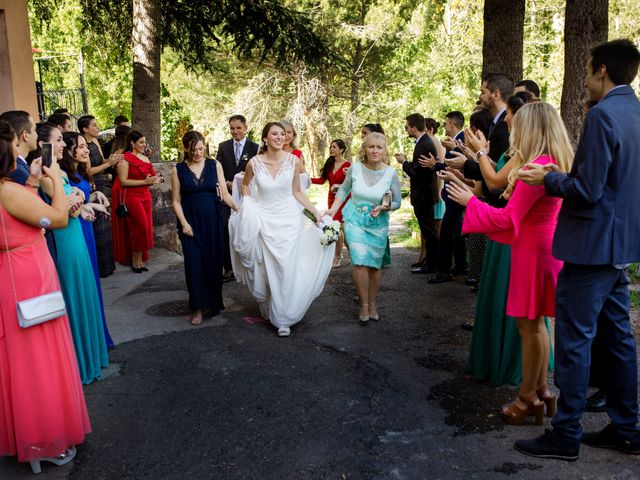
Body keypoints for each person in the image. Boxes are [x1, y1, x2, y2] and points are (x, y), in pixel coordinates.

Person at [515, 39, 640, 460]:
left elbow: (586, 190)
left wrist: (547, 179)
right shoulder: (636, 112)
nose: (585, 79)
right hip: (620, 245)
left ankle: (565, 435)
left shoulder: (603, 115)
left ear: (601, 70)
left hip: (590, 248)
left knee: (575, 342)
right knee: (619, 341)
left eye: (587, 71)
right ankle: (627, 429)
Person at [446, 102, 573, 428]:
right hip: (544, 251)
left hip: (532, 253)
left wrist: (470, 202)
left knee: (528, 328)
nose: (514, 132)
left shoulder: (534, 171)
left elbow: (509, 219)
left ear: (532, 130)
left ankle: (526, 398)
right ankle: (542, 392)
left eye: (520, 127)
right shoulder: (549, 163)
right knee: (538, 326)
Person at [0, 120, 91, 474]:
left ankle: (26, 437)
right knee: (36, 358)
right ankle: (43, 440)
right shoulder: (7, 190)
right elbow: (57, 219)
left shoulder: (10, 189)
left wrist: (35, 181)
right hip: (28, 279)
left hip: (15, 273)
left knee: (20, 358)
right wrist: (53, 179)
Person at [229, 122, 334, 337]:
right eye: (274, 134)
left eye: (282, 134)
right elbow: (245, 185)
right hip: (265, 220)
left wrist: (315, 212)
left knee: (286, 268)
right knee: (269, 269)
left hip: (289, 221)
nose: (280, 137)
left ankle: (283, 318)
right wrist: (248, 206)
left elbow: (297, 192)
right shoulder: (254, 163)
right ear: (265, 138)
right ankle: (270, 305)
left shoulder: (294, 161)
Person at [36, 123, 110, 384]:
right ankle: (80, 364)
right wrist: (76, 199)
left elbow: (75, 206)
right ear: (42, 144)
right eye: (57, 140)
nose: (62, 146)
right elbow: (69, 210)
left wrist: (78, 198)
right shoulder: (47, 176)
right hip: (65, 240)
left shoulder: (57, 173)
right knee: (74, 298)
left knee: (86, 292)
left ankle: (92, 357)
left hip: (76, 234)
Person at [328, 132, 401, 323]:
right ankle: (364, 305)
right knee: (359, 261)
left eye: (379, 147)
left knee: (374, 265)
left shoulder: (390, 173)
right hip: (354, 220)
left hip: (377, 222)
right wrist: (332, 209)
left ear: (385, 150)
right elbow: (344, 190)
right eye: (371, 147)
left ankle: (373, 302)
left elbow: (398, 202)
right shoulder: (356, 168)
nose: (375, 151)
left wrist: (385, 207)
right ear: (364, 149)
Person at [172, 131, 239, 326]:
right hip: (190, 222)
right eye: (193, 150)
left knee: (213, 263)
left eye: (201, 148)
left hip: (213, 220)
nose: (198, 153)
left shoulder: (214, 165)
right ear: (186, 149)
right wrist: (184, 223)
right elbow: (176, 200)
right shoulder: (178, 169)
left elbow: (225, 195)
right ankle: (198, 308)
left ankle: (213, 302)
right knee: (193, 265)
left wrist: (240, 208)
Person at [62, 131, 115, 349]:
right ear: (68, 150)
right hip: (76, 230)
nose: (87, 150)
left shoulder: (78, 171)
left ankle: (99, 337)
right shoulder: (62, 173)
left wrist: (92, 198)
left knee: (93, 284)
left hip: (86, 225)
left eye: (86, 146)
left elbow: (80, 199)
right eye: (82, 146)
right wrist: (86, 205)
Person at [394, 113, 439, 274]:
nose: (406, 129)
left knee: (429, 231)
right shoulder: (423, 142)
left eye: (407, 127)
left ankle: (432, 264)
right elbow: (419, 168)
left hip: (424, 195)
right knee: (428, 230)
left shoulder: (424, 144)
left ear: (414, 127)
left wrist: (403, 163)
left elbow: (418, 173)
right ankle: (430, 262)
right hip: (424, 194)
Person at [216, 115, 259, 282]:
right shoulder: (223, 146)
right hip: (227, 195)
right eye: (232, 128)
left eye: (238, 128)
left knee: (247, 228)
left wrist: (242, 184)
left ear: (245, 128)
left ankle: (248, 264)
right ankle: (228, 268)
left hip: (247, 195)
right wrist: (225, 183)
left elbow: (258, 172)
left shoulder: (254, 147)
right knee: (227, 228)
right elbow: (217, 168)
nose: (235, 132)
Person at [111, 130, 162, 272]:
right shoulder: (125, 159)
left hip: (145, 196)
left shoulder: (145, 158)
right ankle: (134, 259)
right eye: (140, 142)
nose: (143, 145)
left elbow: (152, 177)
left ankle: (140, 259)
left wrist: (156, 179)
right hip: (131, 197)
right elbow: (123, 181)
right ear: (132, 143)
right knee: (140, 227)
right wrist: (144, 181)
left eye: (144, 142)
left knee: (145, 229)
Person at [428, 112, 467, 284]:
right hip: (453, 190)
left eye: (445, 124)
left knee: (446, 231)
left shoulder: (461, 140)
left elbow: (460, 164)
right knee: (456, 231)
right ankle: (460, 265)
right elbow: (449, 164)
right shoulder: (455, 141)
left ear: (452, 124)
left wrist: (453, 151)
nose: (444, 127)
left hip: (457, 190)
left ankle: (443, 271)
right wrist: (436, 165)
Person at [79, 114, 119, 277]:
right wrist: (108, 164)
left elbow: (102, 161)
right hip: (91, 184)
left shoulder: (95, 142)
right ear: (85, 129)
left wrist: (112, 159)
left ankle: (108, 266)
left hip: (101, 183)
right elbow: (87, 171)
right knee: (96, 227)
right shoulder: (82, 146)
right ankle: (99, 268)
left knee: (104, 225)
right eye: (94, 125)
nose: (98, 127)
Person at [311, 139, 350, 267]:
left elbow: (351, 184)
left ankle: (351, 255)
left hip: (344, 199)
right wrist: (306, 179)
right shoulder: (329, 163)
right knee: (336, 227)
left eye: (334, 147)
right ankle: (338, 256)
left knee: (343, 228)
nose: (331, 149)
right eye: (331, 147)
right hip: (331, 199)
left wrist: (338, 186)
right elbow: (322, 180)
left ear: (341, 150)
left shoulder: (348, 165)